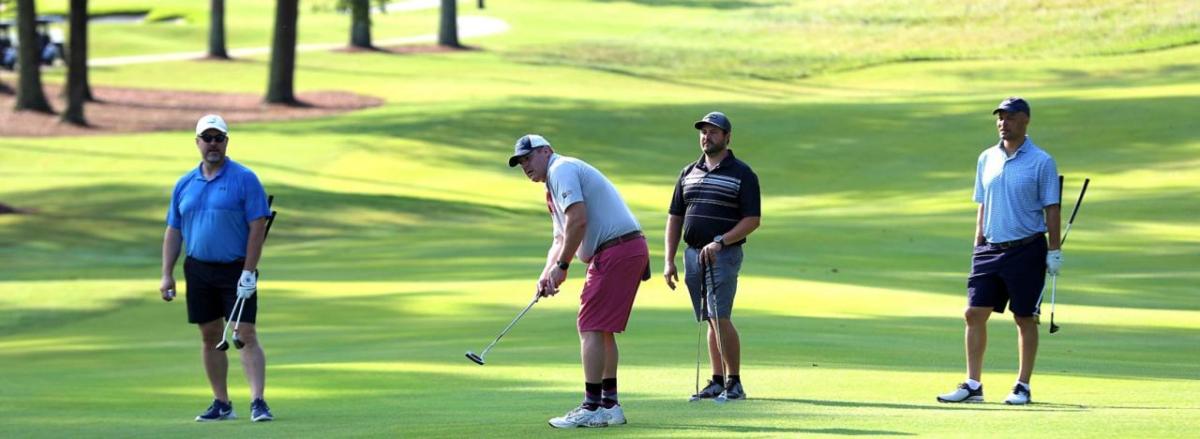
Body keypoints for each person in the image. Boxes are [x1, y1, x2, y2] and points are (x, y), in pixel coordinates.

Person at [508, 134, 650, 428]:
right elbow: (561, 236)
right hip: (622, 249)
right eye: (521, 162)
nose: (525, 165)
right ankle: (609, 406)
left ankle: (592, 406)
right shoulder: (553, 185)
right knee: (602, 329)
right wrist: (547, 272)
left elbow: (579, 220)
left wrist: (562, 266)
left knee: (590, 325)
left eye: (529, 157)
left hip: (616, 249)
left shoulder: (561, 170)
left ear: (546, 151)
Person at [937, 97, 1061, 406]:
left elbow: (1052, 208)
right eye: (1000, 117)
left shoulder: (1041, 161)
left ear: (1025, 121)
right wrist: (977, 242)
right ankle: (973, 384)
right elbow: (982, 203)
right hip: (989, 249)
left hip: (1027, 248)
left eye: (1010, 117)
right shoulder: (986, 158)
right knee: (973, 313)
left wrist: (1054, 250)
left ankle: (1022, 386)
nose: (1003, 122)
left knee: (1025, 317)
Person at [160, 114, 276, 422]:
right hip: (197, 269)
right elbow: (174, 230)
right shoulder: (184, 183)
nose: (213, 144)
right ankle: (221, 403)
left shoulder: (244, 178)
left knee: (243, 333)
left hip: (236, 269)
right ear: (197, 142)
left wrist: (249, 272)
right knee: (210, 334)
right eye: (207, 138)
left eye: (218, 138)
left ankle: (258, 401)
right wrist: (166, 273)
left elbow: (256, 226)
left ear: (226, 141)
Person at [664, 111, 761, 402]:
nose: (707, 137)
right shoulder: (688, 172)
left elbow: (752, 219)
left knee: (720, 316)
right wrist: (668, 260)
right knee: (710, 318)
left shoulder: (742, 173)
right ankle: (717, 380)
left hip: (724, 254)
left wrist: (721, 241)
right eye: (704, 132)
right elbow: (675, 216)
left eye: (714, 132)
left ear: (728, 137)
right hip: (692, 254)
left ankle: (735, 382)